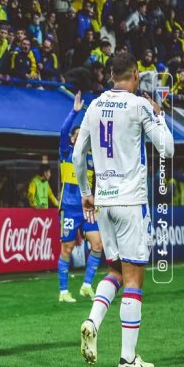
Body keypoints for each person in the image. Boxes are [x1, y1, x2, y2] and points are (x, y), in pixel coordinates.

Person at [74, 52, 174, 367]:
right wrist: (158, 115)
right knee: (134, 279)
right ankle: (128, 358)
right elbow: (168, 149)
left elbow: (78, 156)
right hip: (131, 202)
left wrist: (86, 194)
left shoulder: (94, 105)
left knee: (115, 271)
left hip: (103, 201)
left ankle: (93, 321)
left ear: (110, 75)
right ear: (133, 75)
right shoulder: (138, 105)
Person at [56, 92, 104, 303]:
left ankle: (86, 286)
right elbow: (64, 131)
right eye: (76, 135)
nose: (78, 137)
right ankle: (63, 291)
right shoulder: (66, 153)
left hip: (87, 209)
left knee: (98, 245)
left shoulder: (92, 158)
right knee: (66, 249)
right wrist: (74, 112)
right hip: (69, 206)